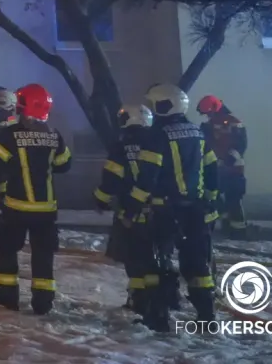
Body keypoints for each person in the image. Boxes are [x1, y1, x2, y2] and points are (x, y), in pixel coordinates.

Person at [123, 84, 220, 332]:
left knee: (159, 263)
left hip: (165, 211)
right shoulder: (198, 133)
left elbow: (147, 178)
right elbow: (211, 170)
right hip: (196, 210)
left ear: (164, 106)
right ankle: (207, 316)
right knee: (198, 264)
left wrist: (132, 208)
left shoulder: (156, 137)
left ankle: (159, 317)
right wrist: (210, 200)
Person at [0, 83, 72, 315]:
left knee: (7, 252)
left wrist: (0, 188)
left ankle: (7, 298)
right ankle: (43, 303)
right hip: (45, 210)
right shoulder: (54, 135)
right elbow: (64, 166)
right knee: (43, 256)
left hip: (15, 207)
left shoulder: (8, 135)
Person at [94, 105, 155, 316]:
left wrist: (100, 200)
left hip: (131, 212)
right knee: (156, 257)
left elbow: (111, 179)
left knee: (136, 258)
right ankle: (160, 298)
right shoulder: (159, 142)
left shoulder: (121, 147)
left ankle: (138, 299)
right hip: (160, 212)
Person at [197, 95, 248, 234]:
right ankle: (227, 226)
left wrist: (228, 160)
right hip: (216, 168)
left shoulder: (234, 122)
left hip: (233, 169)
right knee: (214, 197)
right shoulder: (208, 125)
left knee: (234, 200)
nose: (207, 116)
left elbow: (241, 144)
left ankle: (238, 232)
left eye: (208, 113)